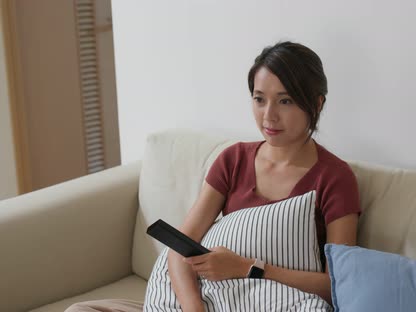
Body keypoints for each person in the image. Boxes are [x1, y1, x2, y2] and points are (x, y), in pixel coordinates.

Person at [65, 41, 360, 312]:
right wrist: (195, 309)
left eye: (285, 101)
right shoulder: (233, 160)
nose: (269, 115)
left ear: (317, 103)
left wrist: (248, 267)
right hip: (206, 299)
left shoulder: (334, 178)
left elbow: (338, 285)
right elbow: (179, 249)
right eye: (259, 99)